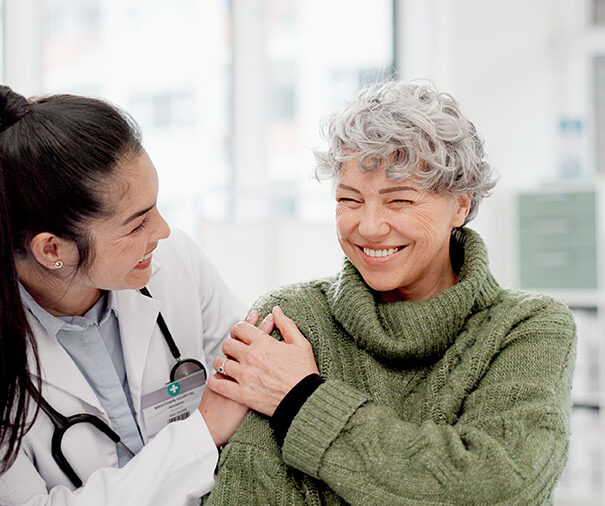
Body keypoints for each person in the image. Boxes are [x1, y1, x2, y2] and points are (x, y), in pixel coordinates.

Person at [204, 81, 577, 505]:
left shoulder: (528, 327)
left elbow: (499, 488)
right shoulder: (292, 319)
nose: (369, 226)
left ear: (460, 204)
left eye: (398, 201)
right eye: (350, 199)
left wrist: (302, 400)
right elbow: (249, 493)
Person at [0, 86, 263, 505]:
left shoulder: (174, 264)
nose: (162, 232)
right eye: (136, 224)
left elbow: (255, 381)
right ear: (52, 250)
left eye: (156, 208)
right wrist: (201, 435)